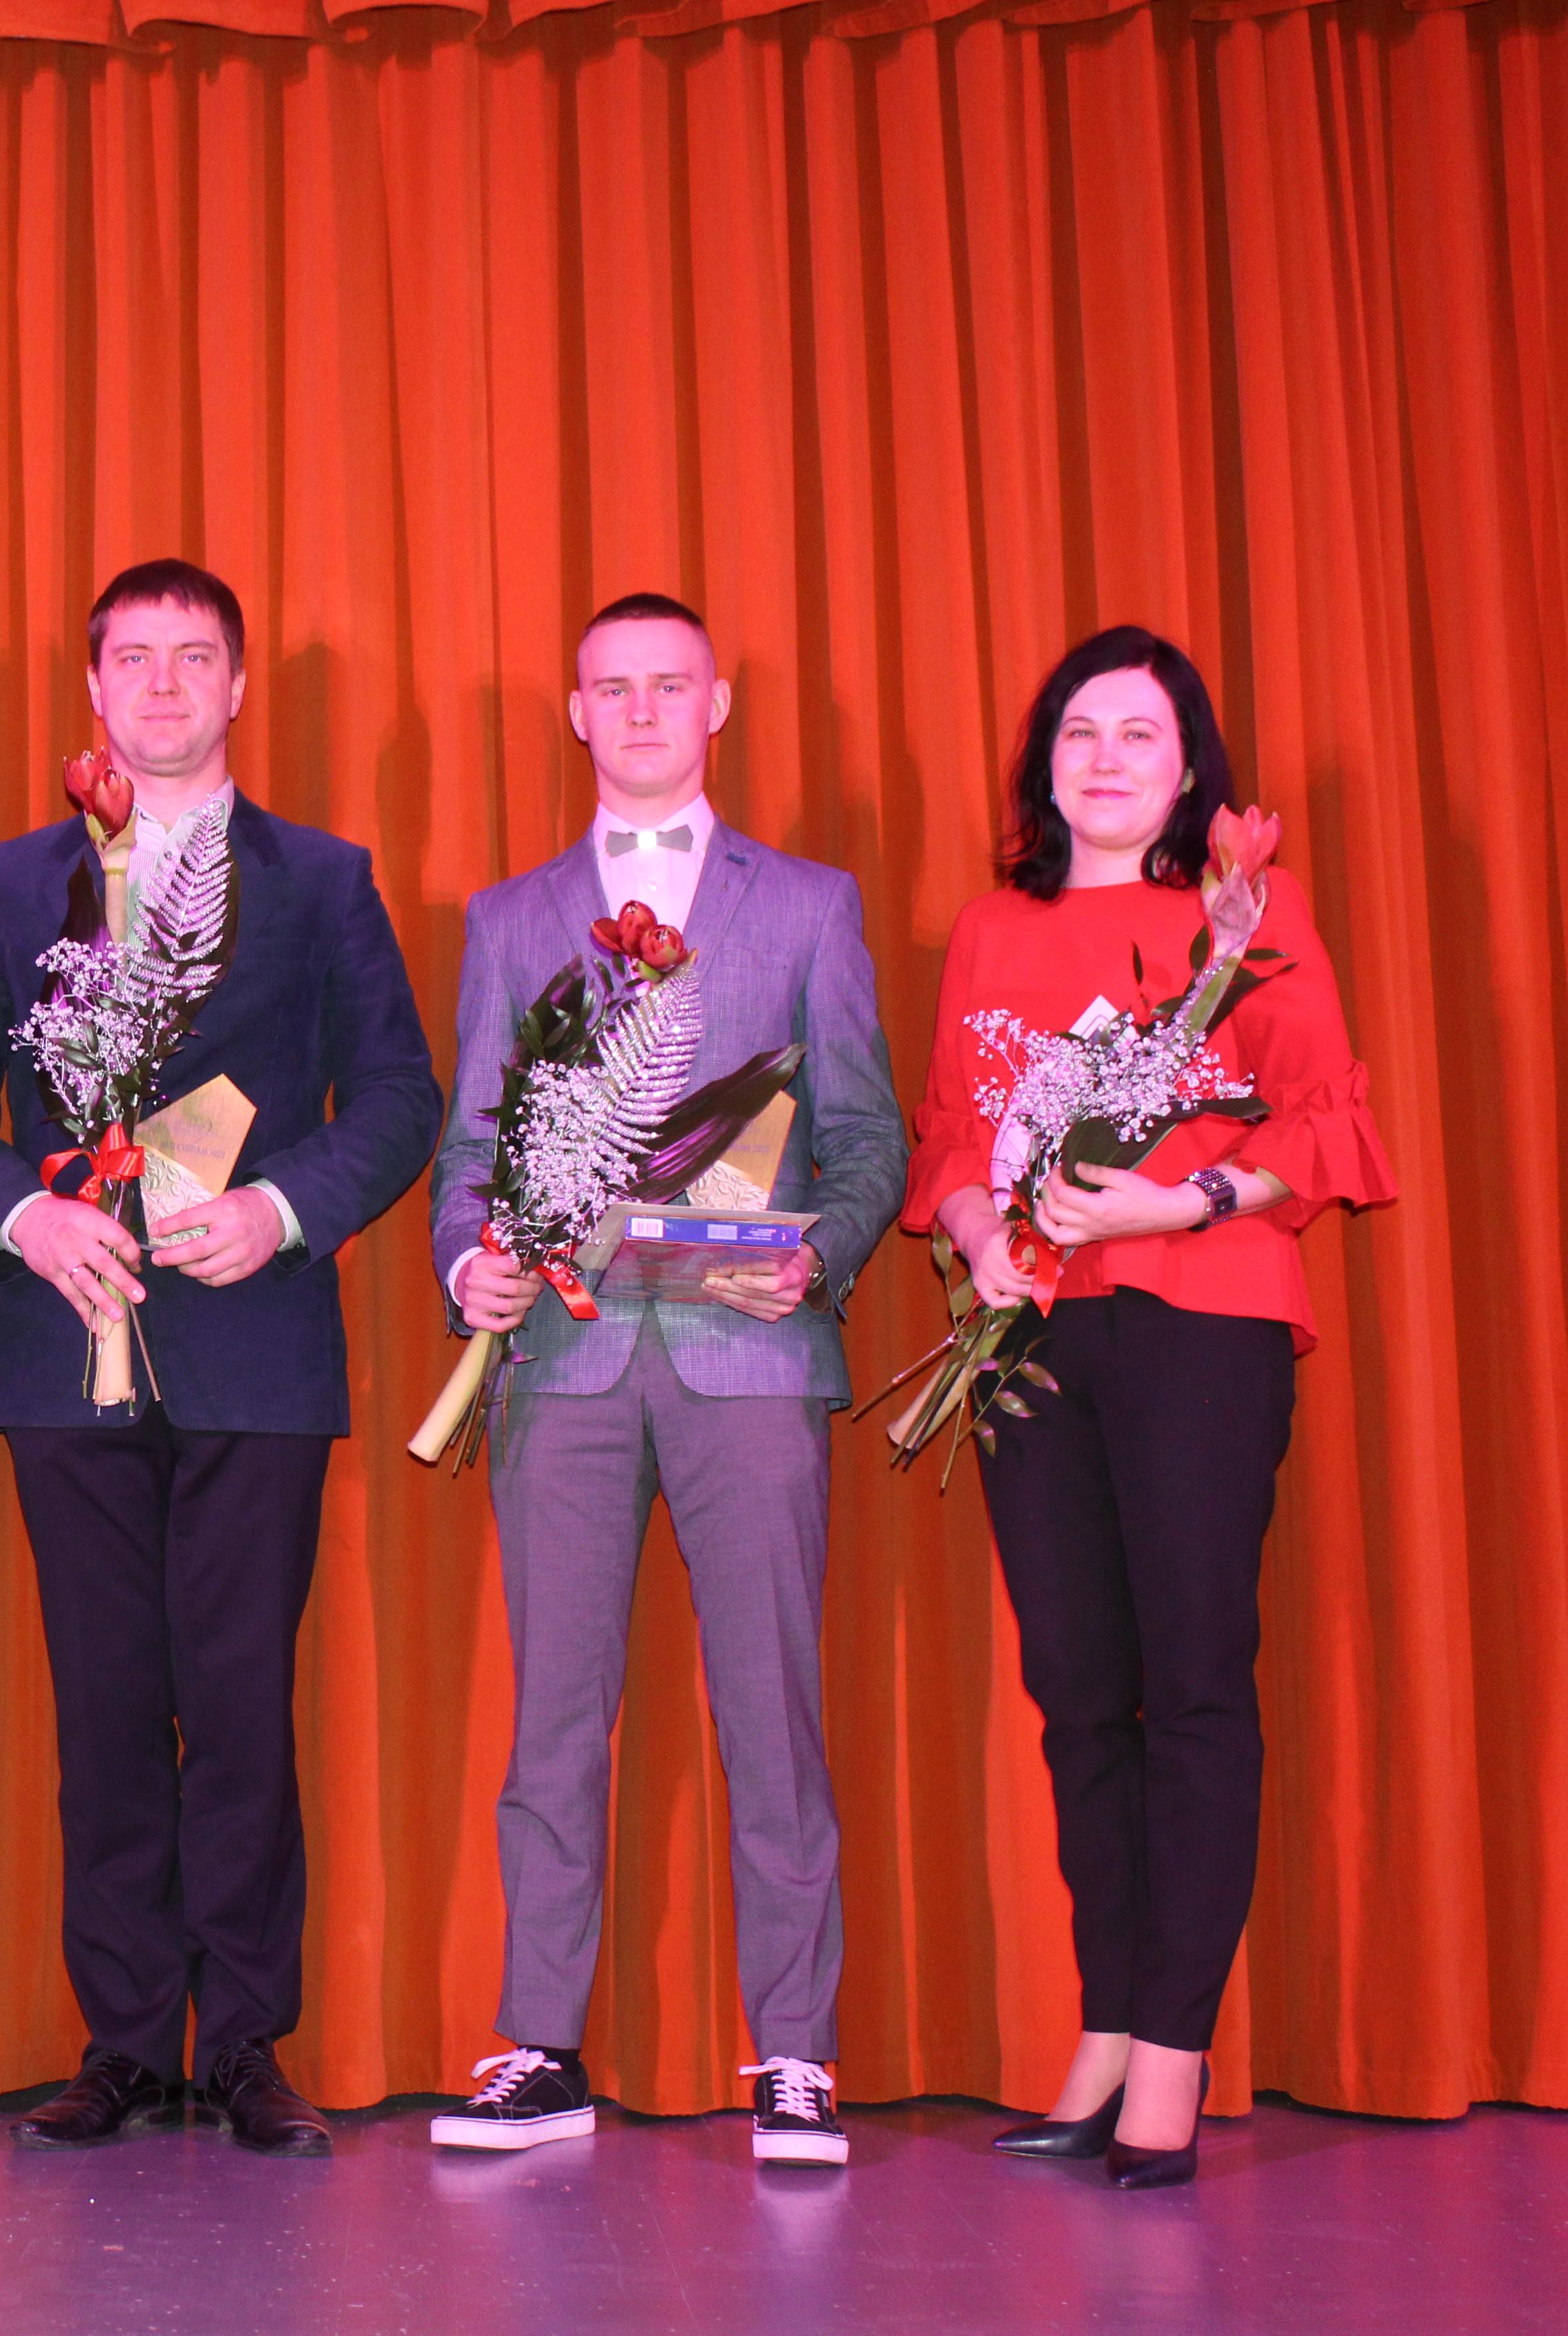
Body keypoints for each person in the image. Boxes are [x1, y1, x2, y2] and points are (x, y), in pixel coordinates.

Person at [0, 558, 441, 2156]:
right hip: (65, 1339)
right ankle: (129, 2042)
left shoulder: (323, 879)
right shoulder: (14, 881)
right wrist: (23, 1220)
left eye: (192, 657)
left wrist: (284, 1208)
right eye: (131, 658)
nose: (160, 684)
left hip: (254, 1349)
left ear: (239, 686)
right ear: (91, 690)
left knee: (245, 1711)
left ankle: (249, 2044)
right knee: (107, 1712)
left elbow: (399, 1095)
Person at [910, 625, 1394, 2189]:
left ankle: (1175, 2053)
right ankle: (1109, 2030)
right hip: (1032, 1338)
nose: (1104, 758)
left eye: (1139, 734)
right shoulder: (991, 927)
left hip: (1202, 1324)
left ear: (1191, 771)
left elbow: (1325, 1122)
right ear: (1042, 766)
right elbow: (950, 1130)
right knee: (1077, 1694)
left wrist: (1173, 1205)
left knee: (1191, 1687)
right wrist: (980, 1230)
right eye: (1078, 733)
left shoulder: (1246, 914)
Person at [426, 593, 904, 2170]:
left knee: (773, 1708)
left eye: (668, 685)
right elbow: (470, 1148)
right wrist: (468, 1265)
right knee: (554, 1718)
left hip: (749, 1352)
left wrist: (819, 1256)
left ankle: (797, 2054)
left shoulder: (812, 906)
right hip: (563, 1362)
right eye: (612, 688)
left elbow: (868, 1136)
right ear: (576, 713)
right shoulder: (510, 918)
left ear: (718, 703)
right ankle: (540, 2047)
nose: (639, 710)